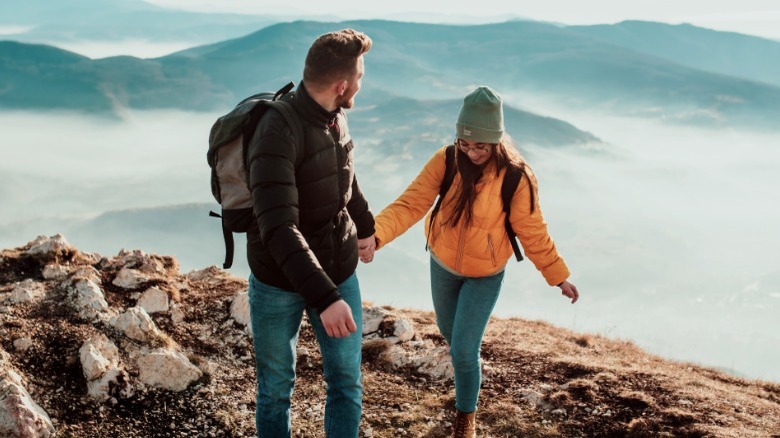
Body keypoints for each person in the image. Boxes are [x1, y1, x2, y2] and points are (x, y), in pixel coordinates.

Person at [361, 85, 579, 437]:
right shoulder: (446, 159)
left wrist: (558, 275)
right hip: (442, 265)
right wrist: (377, 235)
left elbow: (533, 231)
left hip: (485, 275)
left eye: (480, 145)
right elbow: (411, 203)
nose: (471, 151)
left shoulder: (516, 177)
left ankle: (466, 419)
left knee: (463, 349)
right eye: (465, 143)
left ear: (496, 141)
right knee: (453, 337)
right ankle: (469, 371)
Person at [245, 29, 375, 437]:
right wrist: (326, 299)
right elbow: (278, 229)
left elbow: (343, 177)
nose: (360, 84)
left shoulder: (336, 115)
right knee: (276, 389)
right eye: (359, 77)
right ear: (341, 85)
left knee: (347, 386)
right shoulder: (276, 132)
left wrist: (365, 226)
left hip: (337, 269)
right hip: (278, 282)